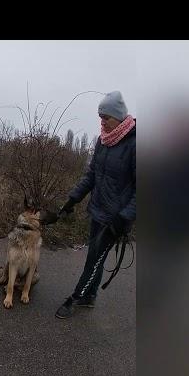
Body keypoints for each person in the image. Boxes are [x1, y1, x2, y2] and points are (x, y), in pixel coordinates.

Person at [55, 91, 136, 319]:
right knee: (95, 255)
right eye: (100, 116)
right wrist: (73, 199)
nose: (102, 121)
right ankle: (89, 296)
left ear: (119, 117)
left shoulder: (135, 144)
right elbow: (91, 175)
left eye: (106, 117)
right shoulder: (103, 140)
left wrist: (124, 217)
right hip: (98, 210)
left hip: (116, 218)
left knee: (94, 259)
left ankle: (76, 298)